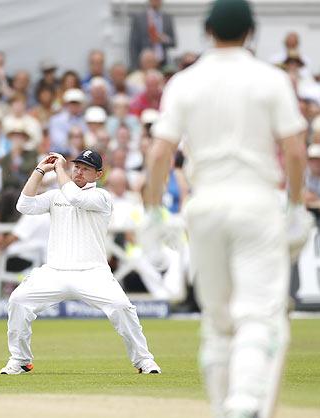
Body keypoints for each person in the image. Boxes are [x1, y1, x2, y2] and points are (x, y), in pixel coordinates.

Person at [145, 2, 311, 417]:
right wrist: (294, 205)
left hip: (206, 206)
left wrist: (151, 211)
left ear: (206, 31)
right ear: (252, 33)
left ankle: (225, 407)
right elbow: (294, 152)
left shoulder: (184, 82)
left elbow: (159, 154)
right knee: (257, 313)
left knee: (218, 321)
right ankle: (243, 402)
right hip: (257, 203)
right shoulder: (271, 79)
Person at [0, 150, 160, 375]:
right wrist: (39, 170)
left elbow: (75, 197)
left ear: (99, 174)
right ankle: (20, 360)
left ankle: (144, 360)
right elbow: (23, 206)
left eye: (86, 168)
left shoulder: (102, 197)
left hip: (92, 272)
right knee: (18, 300)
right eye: (77, 167)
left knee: (122, 307)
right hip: (55, 271)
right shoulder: (56, 196)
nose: (79, 171)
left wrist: (59, 170)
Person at [129, 0, 176, 69]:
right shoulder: (139, 18)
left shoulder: (167, 18)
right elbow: (133, 44)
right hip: (146, 63)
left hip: (163, 63)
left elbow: (173, 41)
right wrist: (135, 65)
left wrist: (164, 39)